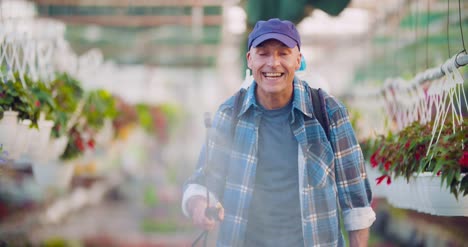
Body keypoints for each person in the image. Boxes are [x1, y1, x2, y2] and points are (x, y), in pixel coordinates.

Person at [182, 18, 375, 247]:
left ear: (298, 60)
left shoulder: (328, 112)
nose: (273, 63)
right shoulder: (230, 114)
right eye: (263, 53)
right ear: (250, 59)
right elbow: (205, 180)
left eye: (283, 53)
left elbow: (357, 205)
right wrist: (199, 206)